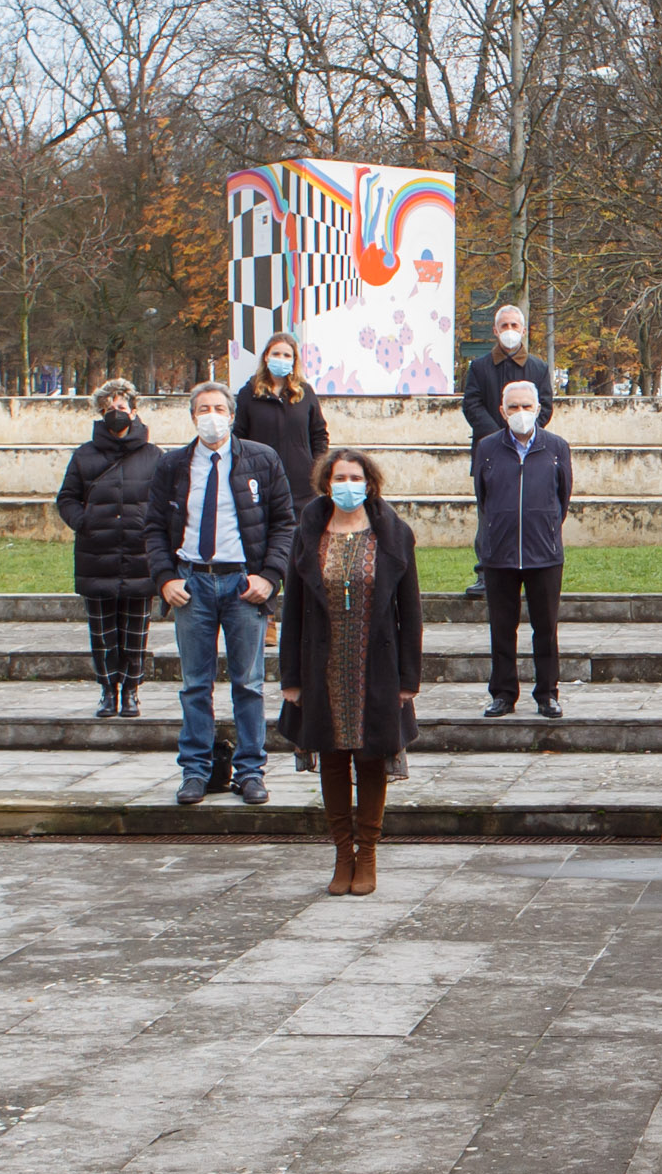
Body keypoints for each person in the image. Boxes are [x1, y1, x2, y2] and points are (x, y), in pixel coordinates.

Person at [280, 447, 423, 897]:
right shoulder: (308, 535)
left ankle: (368, 852)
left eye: (355, 478)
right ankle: (342, 853)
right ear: (326, 484)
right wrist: (290, 678)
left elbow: (410, 612)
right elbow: (293, 609)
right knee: (332, 758)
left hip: (374, 665)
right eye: (339, 478)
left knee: (370, 756)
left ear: (370, 483)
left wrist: (408, 679)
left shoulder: (393, 535)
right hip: (322, 666)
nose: (347, 486)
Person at [150, 379, 298, 807]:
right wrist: (165, 578)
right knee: (195, 684)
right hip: (191, 584)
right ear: (192, 417)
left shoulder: (262, 460)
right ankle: (195, 771)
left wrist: (269, 576)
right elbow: (154, 527)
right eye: (203, 409)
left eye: (219, 408)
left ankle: (250, 771)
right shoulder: (173, 465)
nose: (211, 417)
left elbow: (284, 523)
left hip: (243, 585)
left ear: (232, 416)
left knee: (248, 683)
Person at [56, 380, 165, 720]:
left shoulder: (153, 455)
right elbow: (67, 498)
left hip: (139, 555)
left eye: (121, 407)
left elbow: (167, 500)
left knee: (135, 632)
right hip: (97, 555)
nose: (116, 414)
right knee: (103, 633)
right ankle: (107, 690)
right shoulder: (84, 455)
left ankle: (131, 690)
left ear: (134, 411)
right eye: (109, 409)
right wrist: (84, 522)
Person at [472, 378, 573, 720]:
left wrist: (545, 527)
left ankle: (547, 694)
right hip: (499, 553)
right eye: (513, 407)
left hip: (544, 553)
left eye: (526, 406)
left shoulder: (557, 447)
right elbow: (483, 496)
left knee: (545, 628)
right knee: (502, 628)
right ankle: (503, 693)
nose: (520, 412)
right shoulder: (487, 448)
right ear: (502, 411)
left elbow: (562, 496)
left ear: (538, 409)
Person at [459, 305, 552, 603]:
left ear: (523, 330)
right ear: (495, 330)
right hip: (489, 455)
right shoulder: (479, 367)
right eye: (504, 325)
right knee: (488, 516)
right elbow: (472, 405)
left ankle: (533, 570)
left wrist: (523, 432)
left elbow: (545, 407)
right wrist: (498, 437)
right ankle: (485, 573)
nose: (510, 330)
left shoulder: (538, 368)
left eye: (514, 325)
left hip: (530, 455)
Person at [234, 330, 332, 514]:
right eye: (276, 354)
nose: (281, 359)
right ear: (266, 357)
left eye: (287, 355)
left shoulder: (305, 393)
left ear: (294, 360)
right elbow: (239, 436)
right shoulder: (249, 393)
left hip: (302, 486)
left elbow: (319, 434)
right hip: (261, 481)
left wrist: (316, 468)